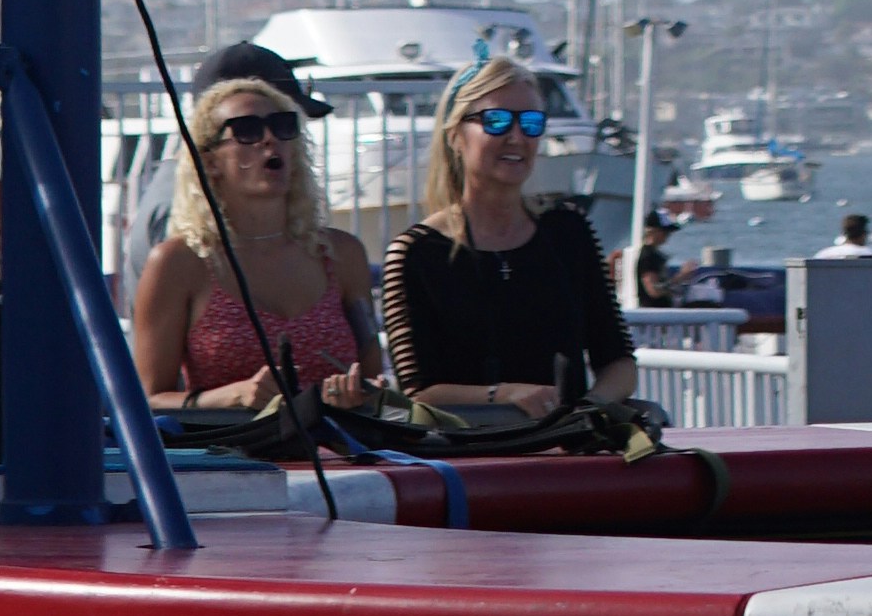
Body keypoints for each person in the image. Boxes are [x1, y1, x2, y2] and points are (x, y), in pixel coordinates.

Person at [382, 60, 638, 419]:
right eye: (497, 121)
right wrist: (505, 395)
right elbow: (420, 390)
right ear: (455, 135)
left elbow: (619, 361)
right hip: (472, 457)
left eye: (531, 124)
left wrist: (589, 410)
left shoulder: (568, 233)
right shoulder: (417, 253)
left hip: (565, 452)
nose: (516, 137)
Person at [128, 78, 384, 431]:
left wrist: (358, 395)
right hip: (234, 463)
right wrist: (230, 397)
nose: (269, 139)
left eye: (283, 126)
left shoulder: (341, 254)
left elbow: (374, 382)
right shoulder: (179, 263)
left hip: (341, 458)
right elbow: (148, 400)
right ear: (210, 161)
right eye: (246, 130)